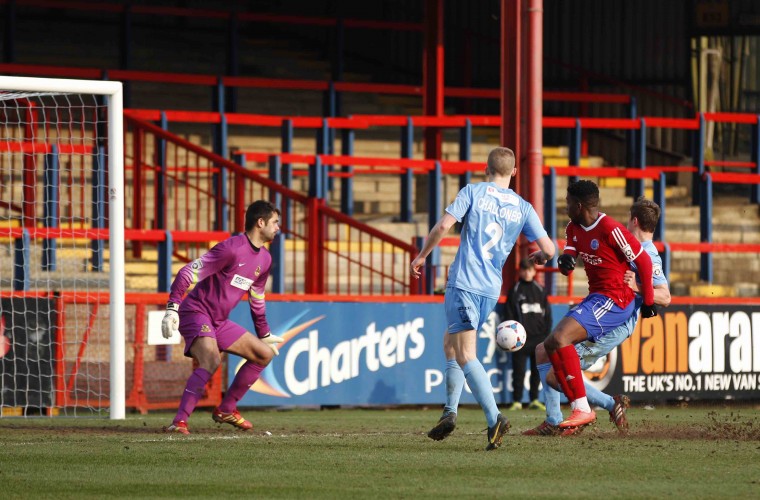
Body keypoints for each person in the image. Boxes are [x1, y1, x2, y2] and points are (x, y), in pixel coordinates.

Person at [410, 147, 556, 450]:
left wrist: (422, 256)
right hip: (491, 289)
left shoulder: (473, 192)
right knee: (450, 342)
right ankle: (450, 411)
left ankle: (494, 419)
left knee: (465, 354)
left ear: (485, 168)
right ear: (514, 172)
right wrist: (540, 255)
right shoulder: (523, 206)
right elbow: (550, 249)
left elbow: (442, 227)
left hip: (464, 283)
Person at [524, 196, 671, 436]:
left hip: (616, 321)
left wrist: (638, 287)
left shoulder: (648, 254)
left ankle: (609, 404)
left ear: (634, 221)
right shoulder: (625, 242)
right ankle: (553, 419)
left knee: (555, 375)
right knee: (543, 351)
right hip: (604, 309)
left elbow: (665, 297)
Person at [161, 200, 284, 435]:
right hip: (196, 311)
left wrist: (264, 334)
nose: (278, 227)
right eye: (275, 222)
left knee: (263, 354)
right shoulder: (231, 248)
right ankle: (179, 422)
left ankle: (227, 409)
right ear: (260, 223)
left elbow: (257, 299)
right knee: (211, 359)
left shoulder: (265, 260)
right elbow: (187, 272)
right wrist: (172, 307)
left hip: (218, 320)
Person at [501, 258, 552, 411]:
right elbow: (508, 315)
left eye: (530, 270)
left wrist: (546, 334)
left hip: (539, 338)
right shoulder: (515, 290)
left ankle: (534, 399)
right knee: (519, 371)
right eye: (524, 270)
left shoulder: (540, 290)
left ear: (534, 271)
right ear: (520, 271)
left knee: (537, 371)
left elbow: (547, 315)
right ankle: (517, 400)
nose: (527, 273)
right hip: (520, 340)